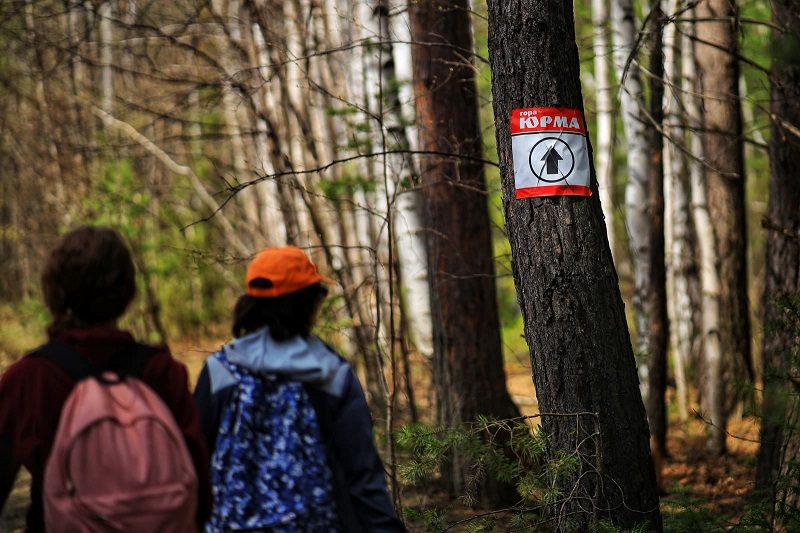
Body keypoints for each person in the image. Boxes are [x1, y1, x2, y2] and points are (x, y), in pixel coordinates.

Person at [0, 225, 212, 531]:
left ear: (54, 293)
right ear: (127, 293)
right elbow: (200, 491)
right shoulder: (163, 372)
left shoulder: (30, 377)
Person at [194, 246, 406, 532]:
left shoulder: (220, 370)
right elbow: (362, 476)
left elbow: (194, 464)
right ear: (309, 304)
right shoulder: (331, 373)